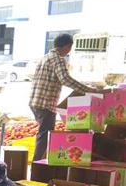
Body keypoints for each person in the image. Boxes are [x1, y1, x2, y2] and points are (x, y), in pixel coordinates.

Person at [29, 33, 108, 161]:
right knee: (44, 136)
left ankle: (39, 163)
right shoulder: (58, 59)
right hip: (45, 103)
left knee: (43, 134)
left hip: (35, 101)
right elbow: (65, 79)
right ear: (67, 46)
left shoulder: (45, 57)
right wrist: (89, 90)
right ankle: (38, 164)